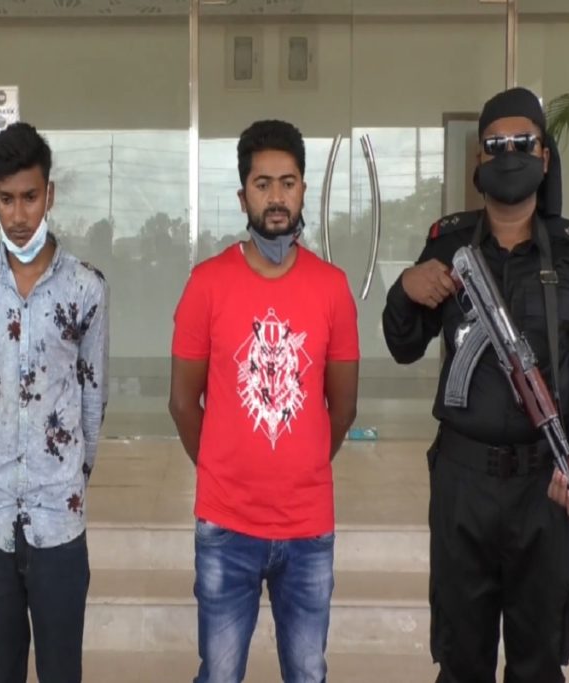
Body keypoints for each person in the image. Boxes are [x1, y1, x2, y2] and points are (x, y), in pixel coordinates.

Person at [382, 87, 569, 683]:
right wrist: (405, 290)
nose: (509, 154)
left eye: (523, 143)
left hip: (543, 482)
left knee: (538, 661)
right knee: (461, 660)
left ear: (544, 156)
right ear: (478, 160)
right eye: (495, 145)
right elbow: (404, 346)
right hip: (462, 480)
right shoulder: (447, 243)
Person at [169, 119, 360, 683]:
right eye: (262, 184)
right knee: (220, 674)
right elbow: (182, 402)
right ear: (242, 196)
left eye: (288, 183)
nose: (276, 197)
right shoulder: (207, 284)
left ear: (303, 190)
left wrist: (302, 466)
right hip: (226, 526)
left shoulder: (332, 287)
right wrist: (222, 467)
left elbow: (343, 407)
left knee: (307, 673)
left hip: (308, 526)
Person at [0, 121, 109, 683]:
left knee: (61, 671)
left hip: (59, 520)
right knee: (1, 671)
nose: (18, 214)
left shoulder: (86, 287)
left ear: (50, 194)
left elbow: (93, 396)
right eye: (6, 199)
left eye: (29, 197)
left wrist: (69, 477)